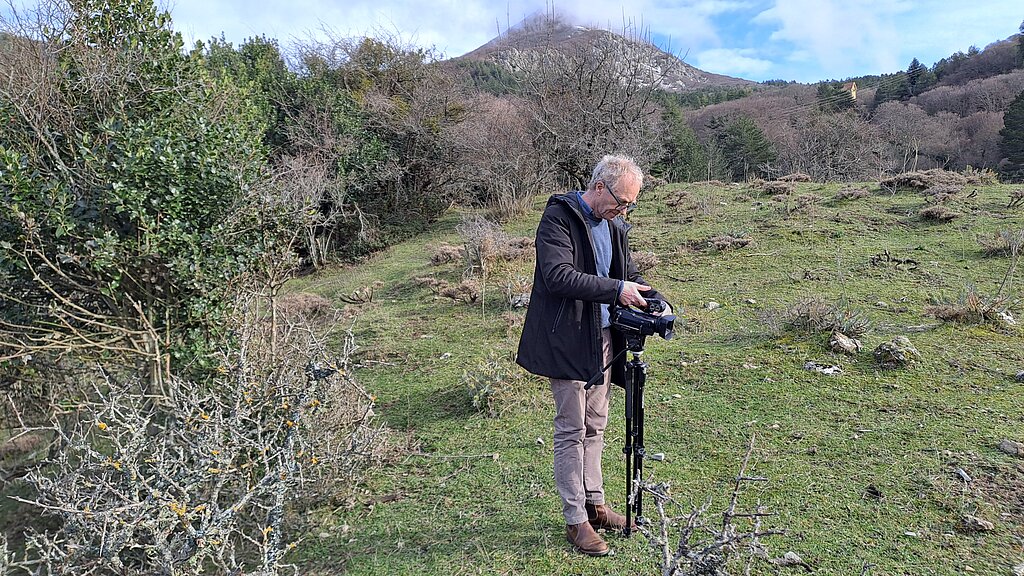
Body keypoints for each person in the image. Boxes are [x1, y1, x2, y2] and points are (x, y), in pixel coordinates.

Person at [516, 154, 671, 556]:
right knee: (571, 428)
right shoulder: (559, 218)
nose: (624, 211)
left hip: (603, 338)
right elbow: (558, 276)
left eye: (631, 205)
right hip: (569, 339)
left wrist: (653, 298)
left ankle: (595, 506)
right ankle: (575, 520)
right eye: (621, 202)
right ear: (599, 187)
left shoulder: (614, 224)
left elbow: (628, 274)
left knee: (595, 424)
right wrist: (616, 290)